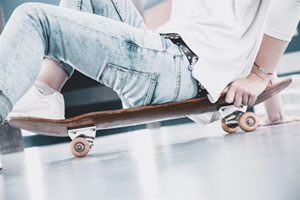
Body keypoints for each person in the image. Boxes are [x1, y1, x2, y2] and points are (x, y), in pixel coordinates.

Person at [0, 0, 300, 126]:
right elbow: (246, 28)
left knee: (33, 17)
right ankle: (45, 91)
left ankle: (40, 94)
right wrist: (268, 96)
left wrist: (260, 74)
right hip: (166, 54)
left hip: (181, 65)